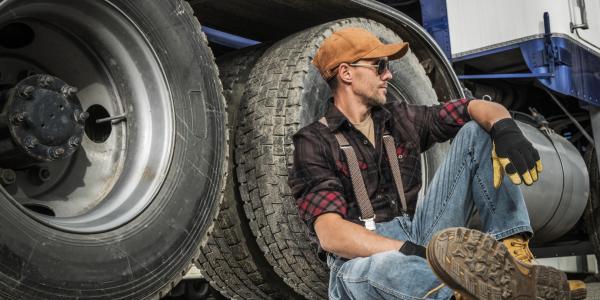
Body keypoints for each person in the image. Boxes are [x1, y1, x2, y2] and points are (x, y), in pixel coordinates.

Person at [288, 27, 583, 299]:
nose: (388, 75)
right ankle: (467, 292)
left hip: (419, 234)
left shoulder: (399, 118)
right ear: (346, 73)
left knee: (476, 130)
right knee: (387, 267)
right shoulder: (314, 141)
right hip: (361, 258)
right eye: (379, 66)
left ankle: (514, 265)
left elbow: (471, 107)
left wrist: (504, 126)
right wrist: (406, 250)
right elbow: (331, 234)